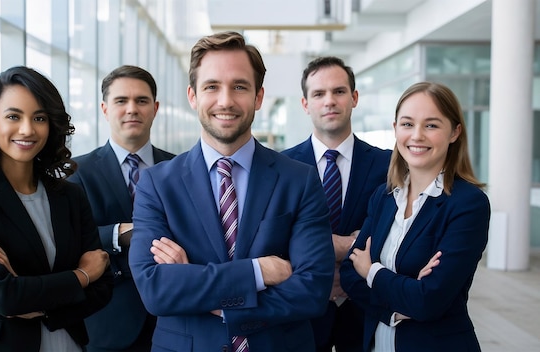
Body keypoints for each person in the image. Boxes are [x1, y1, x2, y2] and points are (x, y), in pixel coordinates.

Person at [128, 31, 334, 351]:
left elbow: (312, 291)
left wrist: (201, 289)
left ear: (258, 97)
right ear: (193, 96)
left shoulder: (300, 180)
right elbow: (156, 290)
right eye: (212, 87)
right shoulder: (156, 184)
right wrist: (257, 272)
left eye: (239, 86)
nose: (225, 101)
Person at [0, 66, 113, 352]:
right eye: (13, 116)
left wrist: (35, 300)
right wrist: (81, 276)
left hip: (70, 344)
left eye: (39, 118)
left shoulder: (70, 195)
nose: (27, 129)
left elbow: (102, 288)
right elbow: (4, 296)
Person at [340, 81, 490, 352]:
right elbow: (351, 275)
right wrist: (396, 307)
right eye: (407, 124)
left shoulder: (468, 205)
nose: (417, 135)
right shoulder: (384, 197)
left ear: (454, 132)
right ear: (395, 128)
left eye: (431, 125)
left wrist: (372, 270)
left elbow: (427, 301)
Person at [282, 56, 391, 352]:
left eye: (339, 91)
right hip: (301, 311)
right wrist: (347, 244)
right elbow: (275, 237)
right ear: (305, 104)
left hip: (365, 307)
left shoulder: (388, 165)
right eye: (319, 94)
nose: (329, 101)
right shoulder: (280, 166)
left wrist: (347, 268)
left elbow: (395, 231)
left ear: (354, 98)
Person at [68, 65, 175, 352]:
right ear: (104, 109)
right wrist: (119, 233)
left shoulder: (181, 168)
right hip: (107, 322)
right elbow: (69, 238)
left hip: (175, 318)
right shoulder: (77, 172)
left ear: (155, 108)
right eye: (121, 101)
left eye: (141, 101)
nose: (132, 109)